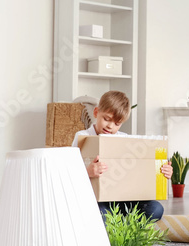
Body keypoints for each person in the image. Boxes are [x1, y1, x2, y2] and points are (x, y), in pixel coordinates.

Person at [72, 90, 173, 222]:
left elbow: (140, 169)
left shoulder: (124, 139)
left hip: (123, 199)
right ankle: (117, 224)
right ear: (96, 113)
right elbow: (70, 172)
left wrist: (163, 171)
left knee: (156, 209)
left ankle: (120, 225)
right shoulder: (82, 136)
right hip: (96, 199)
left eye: (117, 124)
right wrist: (88, 172)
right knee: (101, 213)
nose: (110, 126)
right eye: (106, 119)